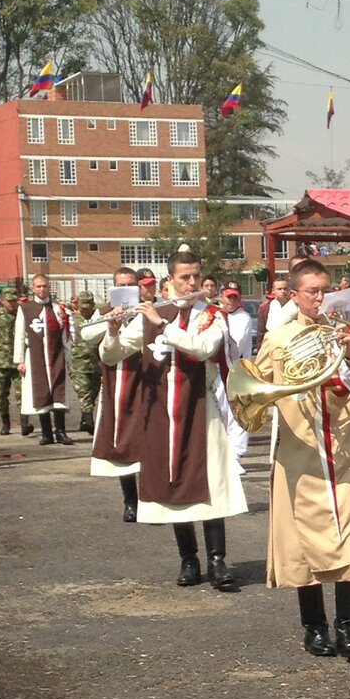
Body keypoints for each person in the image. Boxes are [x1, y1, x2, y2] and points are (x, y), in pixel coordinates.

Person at [255, 259, 350, 662]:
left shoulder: (346, 333)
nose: (320, 297)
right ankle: (314, 628)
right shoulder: (278, 339)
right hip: (299, 452)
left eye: (324, 289)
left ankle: (348, 630)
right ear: (293, 295)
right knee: (302, 546)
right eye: (311, 291)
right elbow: (255, 389)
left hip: (342, 449)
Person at [101, 250, 246, 589]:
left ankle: (217, 560)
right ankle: (189, 560)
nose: (192, 283)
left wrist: (162, 326)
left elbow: (202, 348)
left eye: (196, 276)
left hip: (201, 411)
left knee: (210, 484)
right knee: (173, 484)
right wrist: (111, 329)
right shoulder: (151, 314)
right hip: (162, 414)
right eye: (185, 278)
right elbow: (113, 354)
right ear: (170, 282)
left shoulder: (211, 315)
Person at [84, 267, 143, 523]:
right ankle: (130, 501)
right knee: (121, 441)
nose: (126, 288)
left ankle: (151, 500)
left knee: (148, 440)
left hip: (144, 380)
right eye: (121, 284)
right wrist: (110, 320)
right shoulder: (105, 310)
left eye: (131, 284)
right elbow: (86, 334)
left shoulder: (146, 309)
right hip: (116, 379)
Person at [13, 273, 74, 446]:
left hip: (56, 357)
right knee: (41, 393)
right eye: (38, 286)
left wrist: (67, 358)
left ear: (49, 288)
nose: (42, 289)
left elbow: (65, 335)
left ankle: (61, 432)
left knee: (58, 393)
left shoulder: (58, 309)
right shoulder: (25, 309)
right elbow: (19, 335)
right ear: (33, 288)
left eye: (44, 286)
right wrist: (19, 360)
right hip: (35, 358)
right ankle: (46, 433)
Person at [0, 286, 33, 436]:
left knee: (22, 395)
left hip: (18, 362)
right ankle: (5, 423)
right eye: (9, 301)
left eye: (14, 301)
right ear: (2, 301)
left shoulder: (23, 316)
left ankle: (24, 424)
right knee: (1, 396)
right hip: (0, 363)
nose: (12, 304)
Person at [218, 284, 252, 471]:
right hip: (220, 369)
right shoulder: (216, 315)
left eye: (235, 298)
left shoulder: (243, 317)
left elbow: (236, 345)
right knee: (221, 412)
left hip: (237, 369)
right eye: (228, 297)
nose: (231, 301)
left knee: (238, 415)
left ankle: (236, 456)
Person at [69, 291, 102, 434]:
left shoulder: (99, 318)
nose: (85, 310)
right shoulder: (72, 319)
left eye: (88, 307)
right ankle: (87, 420)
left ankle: (86, 417)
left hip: (96, 362)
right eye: (83, 307)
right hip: (79, 363)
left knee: (93, 392)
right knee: (83, 392)